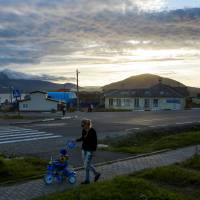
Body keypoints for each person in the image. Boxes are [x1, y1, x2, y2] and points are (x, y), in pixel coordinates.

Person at [76, 119, 101, 184]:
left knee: (86, 165)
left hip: (90, 150)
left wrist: (93, 151)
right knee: (87, 165)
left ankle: (96, 174)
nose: (82, 126)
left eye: (83, 125)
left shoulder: (92, 131)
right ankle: (88, 180)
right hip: (84, 149)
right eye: (81, 125)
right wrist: (75, 140)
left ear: (87, 125)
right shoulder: (84, 130)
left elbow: (95, 142)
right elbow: (82, 138)